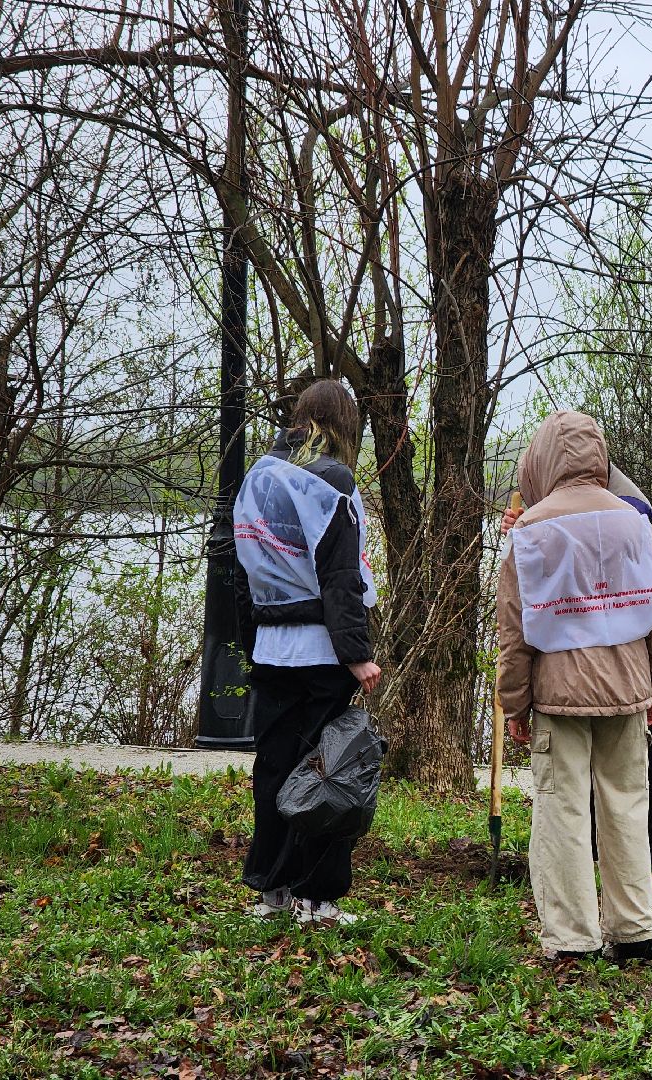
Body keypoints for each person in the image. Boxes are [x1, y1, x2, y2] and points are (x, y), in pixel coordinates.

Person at [497, 411, 652, 962]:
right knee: (626, 806)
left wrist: (514, 702)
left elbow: (515, 628)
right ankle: (636, 928)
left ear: (544, 459)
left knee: (562, 810)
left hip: (559, 694)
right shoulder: (633, 521)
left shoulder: (530, 530)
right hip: (627, 690)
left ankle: (573, 938)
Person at [233, 379, 382, 928]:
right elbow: (340, 576)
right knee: (326, 774)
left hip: (273, 650)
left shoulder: (261, 477)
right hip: (321, 653)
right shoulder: (334, 480)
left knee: (274, 767)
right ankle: (315, 899)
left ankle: (270, 890)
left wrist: (252, 645)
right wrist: (357, 654)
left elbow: (243, 571)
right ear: (344, 424)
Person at [502, 462, 652, 870]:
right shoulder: (560, 504)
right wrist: (526, 537)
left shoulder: (629, 509)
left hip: (627, 657)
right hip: (600, 663)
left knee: (646, 762)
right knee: (605, 771)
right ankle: (608, 854)